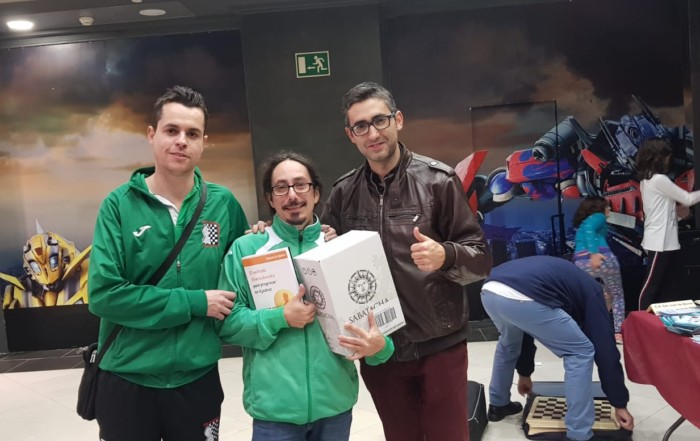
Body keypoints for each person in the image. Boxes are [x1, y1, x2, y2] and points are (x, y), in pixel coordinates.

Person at [321, 81, 492, 441]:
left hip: (440, 343)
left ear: (398, 120)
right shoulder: (343, 193)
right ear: (350, 135)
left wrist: (446, 254)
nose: (372, 133)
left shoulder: (438, 181)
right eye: (361, 126)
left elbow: (480, 257)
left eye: (379, 120)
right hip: (380, 349)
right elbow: (320, 256)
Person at [88, 85, 249, 441]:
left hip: (197, 378)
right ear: (152, 134)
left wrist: (291, 235)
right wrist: (195, 302)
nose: (181, 141)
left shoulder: (223, 205)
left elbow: (247, 269)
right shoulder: (118, 206)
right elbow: (104, 296)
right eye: (171, 130)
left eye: (192, 134)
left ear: (203, 142)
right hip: (127, 377)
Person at [218, 151, 394, 441]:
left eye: (301, 185)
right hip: (275, 414)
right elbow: (227, 324)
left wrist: (381, 347)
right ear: (270, 198)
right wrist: (280, 317)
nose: (292, 195)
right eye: (281, 187)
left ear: (316, 193)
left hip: (334, 407)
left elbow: (378, 328)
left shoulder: (341, 248)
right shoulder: (246, 249)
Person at [481, 255, 634, 441]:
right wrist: (619, 403)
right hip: (523, 295)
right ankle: (579, 433)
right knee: (580, 352)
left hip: (490, 290)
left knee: (509, 344)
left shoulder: (570, 283)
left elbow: (526, 330)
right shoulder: (595, 293)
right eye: (606, 310)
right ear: (606, 297)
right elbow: (606, 352)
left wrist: (524, 374)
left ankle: (498, 405)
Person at [636, 137, 700, 310]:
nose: (669, 160)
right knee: (652, 285)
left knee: (668, 285)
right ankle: (641, 317)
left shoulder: (647, 180)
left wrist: (678, 215)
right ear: (659, 157)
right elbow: (687, 198)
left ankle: (657, 318)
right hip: (660, 241)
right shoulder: (659, 180)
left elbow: (659, 210)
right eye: (667, 156)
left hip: (664, 239)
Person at [572, 196, 625, 343]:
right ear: (599, 207)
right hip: (602, 258)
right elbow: (590, 230)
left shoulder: (581, 224)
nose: (609, 209)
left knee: (598, 296)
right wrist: (594, 253)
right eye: (607, 206)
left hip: (580, 262)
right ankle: (618, 331)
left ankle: (594, 328)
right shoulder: (597, 216)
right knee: (616, 294)